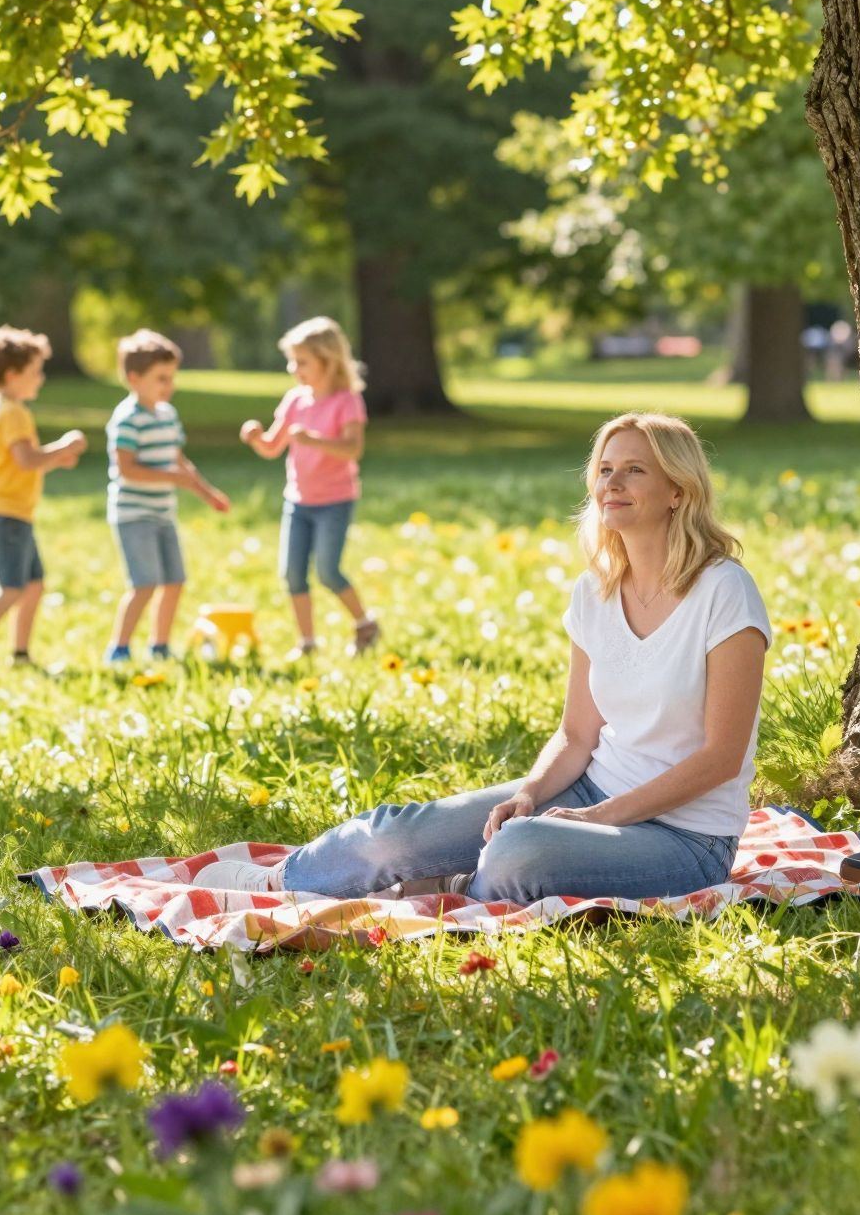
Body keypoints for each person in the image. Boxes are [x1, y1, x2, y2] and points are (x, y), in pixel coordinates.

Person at [246, 411, 770, 904]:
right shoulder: (595, 593)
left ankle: (451, 887)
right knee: (399, 832)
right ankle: (280, 880)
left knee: (517, 854)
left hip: (686, 837)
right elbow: (576, 735)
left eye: (635, 471)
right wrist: (530, 793)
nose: (612, 483)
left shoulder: (723, 591)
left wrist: (598, 818)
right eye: (605, 469)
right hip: (590, 789)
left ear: (678, 490)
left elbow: (721, 758)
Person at [0, 326, 87, 670]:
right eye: (35, 372)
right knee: (11, 587)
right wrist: (64, 447)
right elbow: (27, 460)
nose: (40, 378)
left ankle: (20, 655)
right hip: (6, 513)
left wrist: (53, 459)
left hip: (13, 511)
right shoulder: (13, 413)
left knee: (33, 585)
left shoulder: (1, 407)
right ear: (12, 374)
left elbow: (19, 464)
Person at [239, 316, 379, 659]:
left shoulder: (347, 402)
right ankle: (307, 642)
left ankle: (364, 623)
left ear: (328, 361)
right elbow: (273, 447)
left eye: (302, 362)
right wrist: (257, 439)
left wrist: (315, 440)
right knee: (292, 574)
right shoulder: (294, 401)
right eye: (292, 361)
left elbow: (352, 449)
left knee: (329, 572)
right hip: (298, 501)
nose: (293, 368)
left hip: (335, 500)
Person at [104, 329, 230, 666]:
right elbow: (126, 468)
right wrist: (171, 478)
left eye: (171, 377)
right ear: (134, 378)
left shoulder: (167, 415)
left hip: (162, 512)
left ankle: (159, 646)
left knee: (174, 581)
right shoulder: (127, 419)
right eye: (160, 378)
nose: (168, 385)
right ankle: (119, 648)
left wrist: (206, 492)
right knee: (144, 584)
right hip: (134, 514)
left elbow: (179, 460)